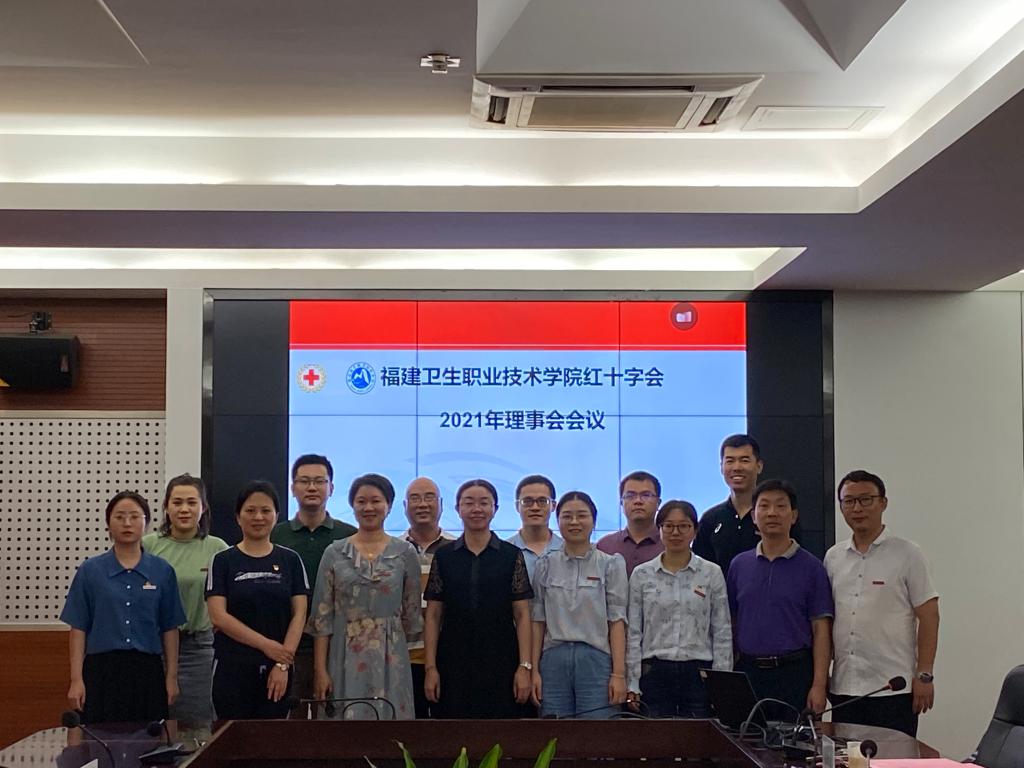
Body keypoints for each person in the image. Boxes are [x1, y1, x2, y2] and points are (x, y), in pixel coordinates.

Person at [825, 470, 939, 737]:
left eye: (866, 499)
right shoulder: (833, 557)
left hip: (892, 688)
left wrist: (925, 674)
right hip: (845, 687)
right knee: (847, 757)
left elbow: (930, 615)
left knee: (893, 756)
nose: (857, 508)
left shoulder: (908, 554)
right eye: (849, 501)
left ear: (883, 503)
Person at [61, 491, 186, 724]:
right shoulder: (90, 570)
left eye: (135, 516)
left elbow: (170, 628)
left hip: (147, 670)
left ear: (147, 523)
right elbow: (78, 629)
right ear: (108, 524)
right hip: (101, 670)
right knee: (100, 738)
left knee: (150, 739)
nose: (127, 523)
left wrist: (171, 677)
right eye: (119, 517)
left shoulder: (163, 571)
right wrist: (76, 679)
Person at [308, 474, 423, 719]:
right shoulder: (334, 552)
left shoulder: (406, 552)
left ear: (389, 505)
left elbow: (411, 614)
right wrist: (320, 670)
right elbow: (322, 618)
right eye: (361, 501)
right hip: (343, 655)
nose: (368, 507)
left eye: (376, 501)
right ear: (352, 505)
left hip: (392, 657)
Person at [423, 479, 534, 718]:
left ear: (495, 508)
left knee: (500, 729)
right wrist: (430, 668)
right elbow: (433, 615)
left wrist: (524, 667)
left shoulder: (511, 555)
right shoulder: (444, 557)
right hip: (453, 660)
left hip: (502, 659)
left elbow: (522, 614)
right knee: (454, 729)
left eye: (484, 503)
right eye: (469, 503)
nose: (477, 509)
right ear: (457, 508)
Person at [727, 479, 833, 719]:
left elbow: (821, 631)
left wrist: (819, 685)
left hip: (795, 674)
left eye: (780, 506)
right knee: (747, 739)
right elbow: (731, 623)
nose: (772, 513)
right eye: (764, 506)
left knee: (795, 742)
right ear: (753, 516)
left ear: (793, 516)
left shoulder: (812, 567)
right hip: (748, 673)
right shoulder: (739, 565)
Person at [206, 481, 309, 720]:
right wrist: (267, 646)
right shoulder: (222, 561)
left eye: (265, 510)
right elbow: (218, 617)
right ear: (238, 517)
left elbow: (300, 613)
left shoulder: (291, 560)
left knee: (273, 737)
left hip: (278, 669)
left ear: (276, 516)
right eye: (250, 511)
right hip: (232, 668)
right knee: (231, 735)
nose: (258, 517)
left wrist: (282, 664)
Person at [627, 500, 732, 718]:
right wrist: (632, 681)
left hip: (698, 672)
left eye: (683, 526)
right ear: (659, 529)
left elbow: (722, 631)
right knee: (657, 737)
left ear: (695, 530)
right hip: (654, 671)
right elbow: (634, 633)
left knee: (698, 737)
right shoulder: (642, 574)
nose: (676, 532)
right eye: (668, 526)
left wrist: (721, 685)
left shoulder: (711, 573)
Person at [530, 491, 627, 718]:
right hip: (553, 660)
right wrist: (534, 670)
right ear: (557, 521)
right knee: (555, 732)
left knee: (597, 732)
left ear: (593, 520)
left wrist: (619, 674)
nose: (574, 522)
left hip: (596, 660)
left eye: (582, 515)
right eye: (567, 516)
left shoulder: (610, 564)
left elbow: (616, 621)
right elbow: (538, 621)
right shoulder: (545, 564)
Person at [270, 454, 356, 711]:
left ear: (331, 487)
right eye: (304, 481)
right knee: (289, 721)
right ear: (292, 488)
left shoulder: (349, 536)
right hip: (286, 645)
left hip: (338, 645)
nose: (311, 487)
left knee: (335, 720)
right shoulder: (276, 535)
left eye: (319, 481)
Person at [142, 474, 228, 724]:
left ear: (203, 507)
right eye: (177, 502)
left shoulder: (218, 549)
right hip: (152, 647)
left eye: (192, 502)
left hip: (198, 649)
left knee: (196, 721)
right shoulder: (147, 546)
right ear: (166, 507)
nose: (184, 509)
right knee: (149, 722)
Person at [402, 476, 456, 718]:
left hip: (448, 657)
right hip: (404, 658)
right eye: (415, 498)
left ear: (441, 504)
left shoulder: (458, 548)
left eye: (429, 497)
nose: (422, 504)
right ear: (404, 507)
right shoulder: (393, 550)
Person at [596, 471, 664, 576]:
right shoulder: (605, 546)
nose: (638, 501)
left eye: (646, 495)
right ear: (621, 503)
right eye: (630, 496)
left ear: (658, 503)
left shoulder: (669, 545)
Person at [508, 474, 563, 582]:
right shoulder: (505, 552)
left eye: (542, 501)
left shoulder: (567, 550)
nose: (535, 507)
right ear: (517, 506)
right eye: (527, 501)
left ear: (553, 506)